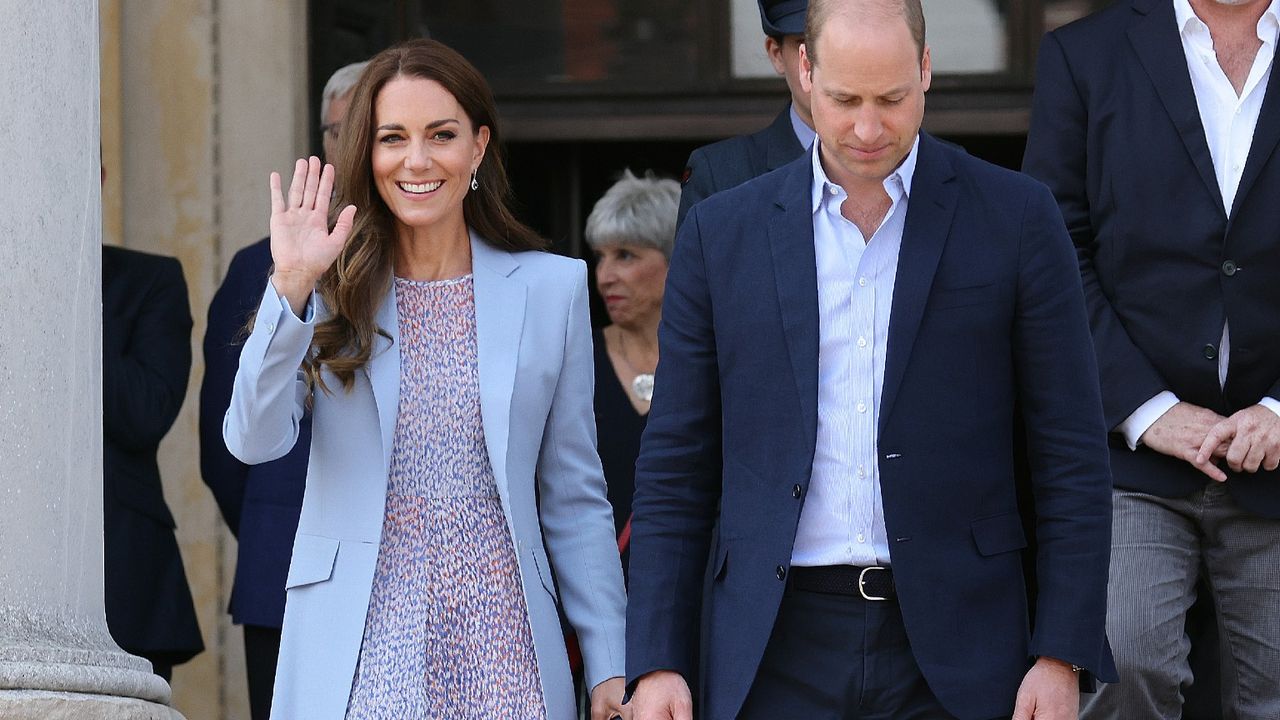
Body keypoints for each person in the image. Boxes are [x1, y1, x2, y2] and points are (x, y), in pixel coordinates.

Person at [624, 1, 1116, 719]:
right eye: (844, 99)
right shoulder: (720, 232)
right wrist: (658, 660)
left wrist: (1061, 651)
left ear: (925, 72)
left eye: (890, 99)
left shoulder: (1016, 216)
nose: (866, 128)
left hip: (965, 644)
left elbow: (1070, 450)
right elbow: (675, 461)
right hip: (771, 641)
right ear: (804, 73)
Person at [222, 39, 627, 720]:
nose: (417, 160)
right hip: (359, 638)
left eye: (441, 134)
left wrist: (610, 663)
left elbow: (575, 499)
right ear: (367, 154)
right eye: (392, 138)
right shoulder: (329, 287)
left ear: (478, 147)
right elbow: (252, 440)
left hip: (506, 639)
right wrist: (290, 285)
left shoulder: (552, 289)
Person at [1023, 0, 1280, 717]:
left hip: (1278, 452)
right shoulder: (1085, 57)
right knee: (1122, 662)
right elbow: (1051, 251)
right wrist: (1148, 410)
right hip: (1133, 454)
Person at [199, 59, 367, 720]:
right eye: (337, 130)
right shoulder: (256, 267)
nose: (348, 145)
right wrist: (277, 527)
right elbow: (227, 449)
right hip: (284, 566)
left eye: (370, 130)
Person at [103, 243, 203, 681]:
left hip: (122, 575)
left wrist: (64, 288)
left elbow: (144, 415)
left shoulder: (151, 279)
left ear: (99, 176)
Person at [585, 169, 677, 574]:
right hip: (595, 603)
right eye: (600, 257)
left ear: (675, 260)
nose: (605, 276)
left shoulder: (715, 363)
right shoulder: (575, 357)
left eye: (625, 255)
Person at [676, 0, 813, 227]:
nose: (822, 62)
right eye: (806, 47)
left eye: (840, 43)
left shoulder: (890, 162)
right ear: (777, 54)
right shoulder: (722, 174)